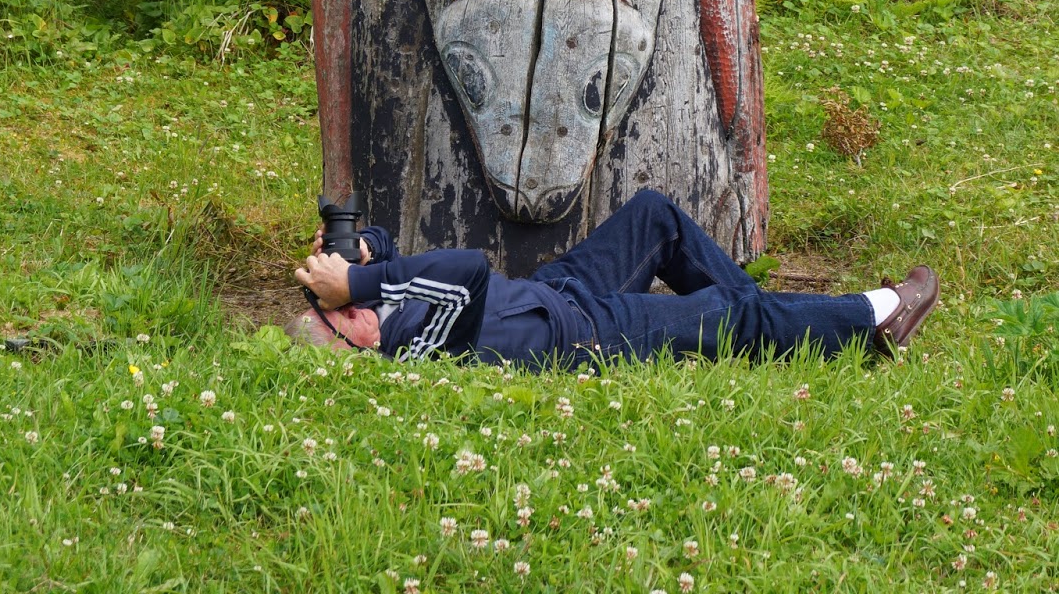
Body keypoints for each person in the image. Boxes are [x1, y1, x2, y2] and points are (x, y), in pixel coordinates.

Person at [292, 189, 938, 369]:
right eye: (345, 318)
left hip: (561, 286)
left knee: (655, 217)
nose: (353, 308)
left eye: (340, 304)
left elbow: (402, 267)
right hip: (590, 334)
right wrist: (360, 285)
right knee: (732, 319)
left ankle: (783, 317)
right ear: (360, 349)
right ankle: (874, 316)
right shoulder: (420, 349)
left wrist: (365, 252)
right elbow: (464, 272)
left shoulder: (390, 314)